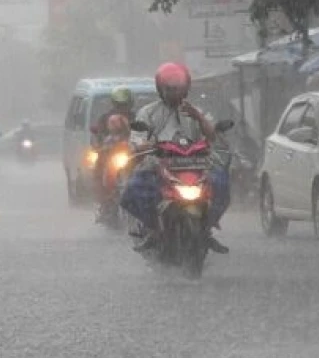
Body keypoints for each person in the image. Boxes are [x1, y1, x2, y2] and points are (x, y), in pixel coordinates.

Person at [120, 62, 230, 254]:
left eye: (179, 89)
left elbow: (212, 137)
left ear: (187, 88)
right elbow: (136, 142)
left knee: (221, 181)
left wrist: (199, 118)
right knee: (134, 189)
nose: (175, 94)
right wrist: (150, 145)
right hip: (159, 165)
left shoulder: (196, 111)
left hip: (197, 165)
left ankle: (207, 228)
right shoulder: (148, 112)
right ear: (161, 89)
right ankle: (153, 229)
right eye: (170, 89)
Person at [91, 86, 137, 208]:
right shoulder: (105, 118)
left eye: (125, 105)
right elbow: (99, 135)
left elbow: (144, 132)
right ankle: (104, 200)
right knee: (99, 168)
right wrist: (100, 145)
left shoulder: (137, 117)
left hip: (131, 152)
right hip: (110, 152)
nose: (122, 108)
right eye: (119, 105)